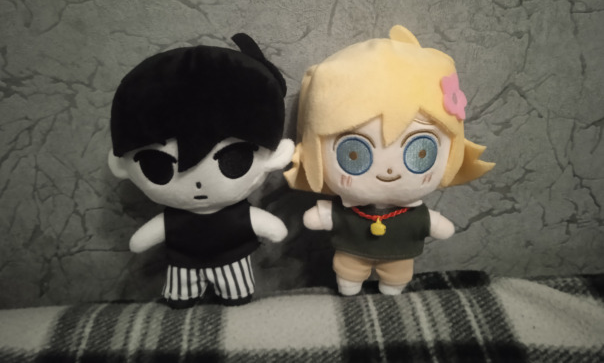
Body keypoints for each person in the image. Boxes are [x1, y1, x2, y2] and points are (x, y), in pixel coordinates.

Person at [284, 25, 494, 296]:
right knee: (348, 273)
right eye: (354, 154)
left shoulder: (413, 215)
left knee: (397, 276)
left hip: (399, 257)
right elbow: (319, 218)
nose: (389, 170)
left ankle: (391, 289)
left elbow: (438, 227)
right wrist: (324, 215)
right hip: (350, 255)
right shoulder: (348, 211)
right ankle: (350, 287)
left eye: (420, 152)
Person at [108, 33, 294, 307]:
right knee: (180, 298)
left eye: (232, 160)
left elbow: (271, 229)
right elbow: (141, 241)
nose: (197, 183)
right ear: (121, 165)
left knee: (237, 295)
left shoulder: (238, 215)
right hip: (183, 264)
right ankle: (184, 296)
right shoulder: (174, 219)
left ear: (275, 156)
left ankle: (230, 294)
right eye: (158, 166)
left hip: (232, 261)